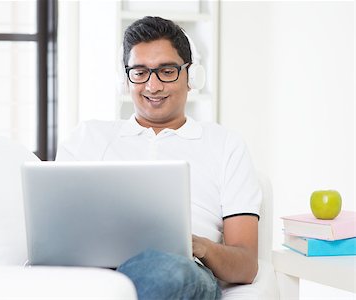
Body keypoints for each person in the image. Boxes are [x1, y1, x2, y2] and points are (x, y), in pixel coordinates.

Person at [56, 16, 261, 299]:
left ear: (191, 76)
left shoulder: (225, 145)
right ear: (125, 79)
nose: (153, 86)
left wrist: (199, 246)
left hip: (179, 271)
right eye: (139, 72)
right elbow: (57, 229)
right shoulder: (88, 137)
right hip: (96, 269)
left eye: (166, 71)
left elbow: (247, 265)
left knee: (167, 272)